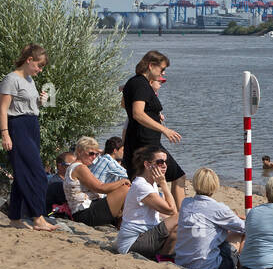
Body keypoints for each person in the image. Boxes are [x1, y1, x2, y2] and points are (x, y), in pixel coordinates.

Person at [1, 45, 57, 230]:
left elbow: (31, 107)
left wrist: (41, 101)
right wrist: (5, 133)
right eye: (39, 66)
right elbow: (3, 108)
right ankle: (38, 217)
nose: (40, 70)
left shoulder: (30, 80)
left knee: (21, 174)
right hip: (17, 127)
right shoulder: (11, 79)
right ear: (29, 60)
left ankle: (15, 218)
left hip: (32, 125)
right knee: (39, 175)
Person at [122, 50, 186, 211]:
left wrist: (154, 114)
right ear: (151, 66)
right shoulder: (142, 84)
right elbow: (137, 113)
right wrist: (164, 129)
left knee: (147, 182)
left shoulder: (134, 82)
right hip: (147, 144)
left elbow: (125, 104)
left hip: (141, 141)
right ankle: (180, 218)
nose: (163, 73)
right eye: (162, 69)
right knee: (177, 176)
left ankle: (175, 217)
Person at [174, 167, 245, 269]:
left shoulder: (186, 203)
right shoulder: (218, 208)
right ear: (215, 185)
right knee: (238, 235)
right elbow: (244, 227)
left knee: (216, 232)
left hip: (182, 265)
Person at [115, 147, 179, 257]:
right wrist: (163, 184)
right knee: (181, 218)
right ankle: (162, 257)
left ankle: (163, 256)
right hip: (132, 243)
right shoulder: (141, 186)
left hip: (144, 235)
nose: (164, 165)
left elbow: (168, 213)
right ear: (147, 164)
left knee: (179, 225)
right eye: (160, 162)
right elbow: (171, 209)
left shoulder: (151, 183)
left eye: (166, 162)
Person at [63, 137, 131, 227]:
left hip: (82, 212)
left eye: (96, 154)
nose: (94, 157)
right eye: (91, 154)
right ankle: (122, 223)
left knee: (124, 189)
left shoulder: (73, 167)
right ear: (79, 152)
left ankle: (121, 221)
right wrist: (123, 181)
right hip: (85, 214)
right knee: (125, 189)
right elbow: (100, 187)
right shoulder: (80, 168)